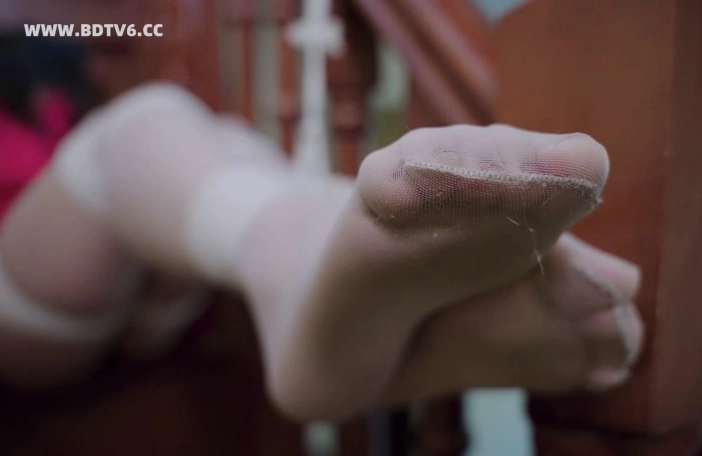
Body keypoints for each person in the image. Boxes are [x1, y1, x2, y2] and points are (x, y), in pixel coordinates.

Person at [0, 82, 644, 421]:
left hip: (165, 300)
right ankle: (293, 254)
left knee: (222, 140)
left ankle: (411, 341)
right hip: (22, 307)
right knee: (143, 121)